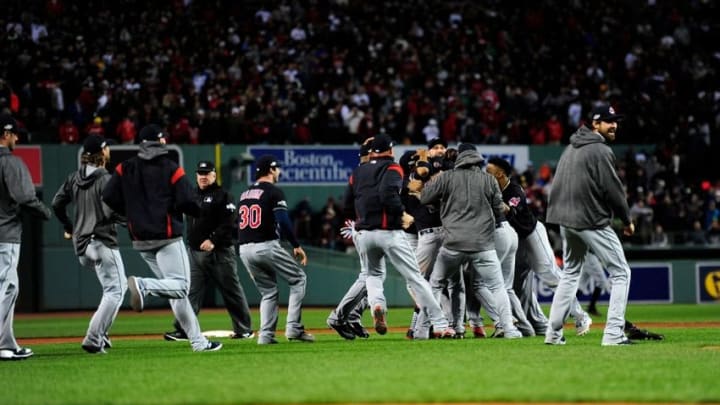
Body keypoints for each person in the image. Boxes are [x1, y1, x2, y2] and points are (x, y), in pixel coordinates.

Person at [102, 124, 222, 352]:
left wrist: (131, 213)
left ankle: (199, 342)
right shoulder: (169, 167)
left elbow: (108, 196)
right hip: (166, 238)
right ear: (160, 142)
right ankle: (143, 285)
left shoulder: (124, 167)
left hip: (140, 238)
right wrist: (196, 211)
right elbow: (188, 200)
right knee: (181, 288)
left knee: (174, 292)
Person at [343, 134, 455, 339]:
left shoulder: (358, 172)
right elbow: (388, 195)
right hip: (389, 232)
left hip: (364, 233)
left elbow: (347, 204)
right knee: (416, 279)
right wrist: (400, 214)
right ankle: (441, 325)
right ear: (390, 149)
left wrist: (363, 219)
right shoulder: (393, 168)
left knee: (373, 276)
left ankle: (378, 305)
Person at [545, 104, 635, 346]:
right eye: (608, 121)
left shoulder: (570, 148)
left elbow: (557, 185)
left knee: (570, 273)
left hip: (566, 220)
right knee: (621, 272)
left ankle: (553, 334)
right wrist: (626, 219)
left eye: (615, 120)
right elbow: (613, 189)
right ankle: (614, 334)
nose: (614, 124)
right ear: (595, 124)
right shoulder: (599, 150)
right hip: (590, 219)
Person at [420, 143, 522, 339]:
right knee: (497, 287)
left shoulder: (446, 178)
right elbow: (497, 208)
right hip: (483, 245)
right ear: (477, 159)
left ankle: (422, 330)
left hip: (452, 245)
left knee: (435, 285)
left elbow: (424, 198)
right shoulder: (488, 180)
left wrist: (442, 199)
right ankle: (509, 328)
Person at [485, 156, 591, 336]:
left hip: (531, 236)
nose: (485, 175)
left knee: (551, 276)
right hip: (513, 243)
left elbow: (511, 210)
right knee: (516, 288)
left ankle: (581, 317)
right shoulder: (489, 190)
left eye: (489, 172)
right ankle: (539, 324)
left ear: (500, 174)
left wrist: (494, 203)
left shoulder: (514, 189)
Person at [163, 160, 254, 342]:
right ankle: (183, 330)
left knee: (231, 291)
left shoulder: (224, 196)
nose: (203, 177)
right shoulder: (191, 195)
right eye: (200, 173)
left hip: (219, 253)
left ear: (214, 175)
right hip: (195, 253)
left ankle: (244, 329)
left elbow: (229, 222)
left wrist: (213, 239)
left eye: (207, 173)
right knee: (191, 293)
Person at [52, 135, 126, 354]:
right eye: (107, 147)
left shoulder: (74, 178)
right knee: (117, 291)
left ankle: (101, 334)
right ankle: (93, 337)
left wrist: (68, 226)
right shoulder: (106, 179)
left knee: (112, 289)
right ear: (102, 152)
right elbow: (111, 211)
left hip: (82, 246)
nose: (109, 150)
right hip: (102, 241)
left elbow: (56, 204)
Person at [237, 154, 314, 345]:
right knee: (298, 279)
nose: (279, 171)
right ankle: (294, 328)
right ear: (271, 170)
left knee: (269, 292)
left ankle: (265, 336)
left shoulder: (244, 193)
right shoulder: (273, 192)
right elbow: (284, 222)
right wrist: (296, 245)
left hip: (244, 249)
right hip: (266, 245)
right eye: (277, 168)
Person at [0, 115, 52, 360]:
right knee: (8, 287)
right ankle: (3, 345)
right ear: (5, 134)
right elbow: (25, 197)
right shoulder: (10, 162)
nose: (17, 138)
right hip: (5, 234)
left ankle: (6, 342)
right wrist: (45, 212)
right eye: (14, 134)